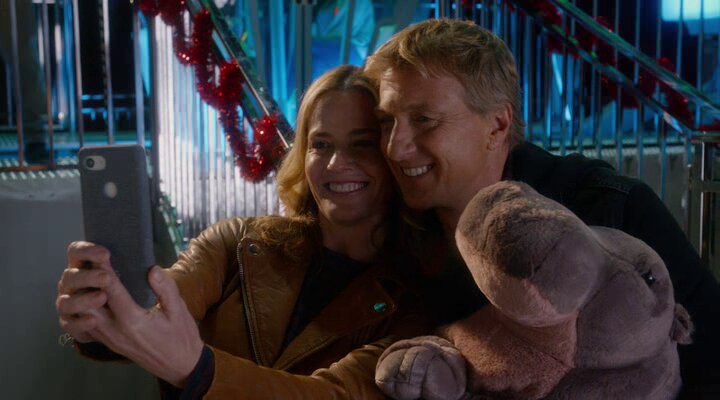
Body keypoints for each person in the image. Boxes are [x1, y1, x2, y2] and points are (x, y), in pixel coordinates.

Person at [364, 18, 720, 398]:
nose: (395, 147)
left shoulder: (609, 209)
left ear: (498, 125)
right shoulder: (395, 231)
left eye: (424, 120)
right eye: (387, 122)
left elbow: (713, 360)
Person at [55, 65, 424, 399]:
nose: (336, 163)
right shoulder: (237, 243)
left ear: (392, 153)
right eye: (321, 145)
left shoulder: (416, 298)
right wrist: (99, 316)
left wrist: (199, 371)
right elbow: (164, 300)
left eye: (362, 144)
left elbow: (334, 395)